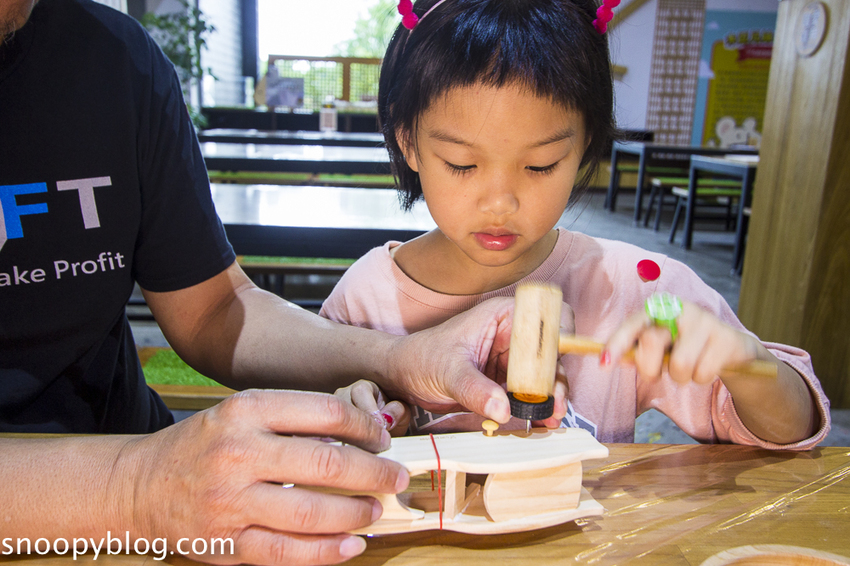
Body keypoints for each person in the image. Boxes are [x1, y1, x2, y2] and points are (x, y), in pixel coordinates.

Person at [0, 0, 533, 563]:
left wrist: (400, 359)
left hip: (141, 461)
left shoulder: (114, 60)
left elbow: (214, 309)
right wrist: (134, 490)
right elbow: (139, 489)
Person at [321, 0, 831, 448]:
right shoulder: (365, 300)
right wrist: (346, 414)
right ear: (407, 140)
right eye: (462, 163)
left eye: (541, 165)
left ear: (585, 143)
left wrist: (748, 366)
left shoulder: (635, 288)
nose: (500, 203)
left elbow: (793, 428)